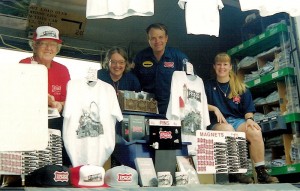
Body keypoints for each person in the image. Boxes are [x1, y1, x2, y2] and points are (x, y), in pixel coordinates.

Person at [204, 52, 279, 184]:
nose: (222, 67)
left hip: (238, 121)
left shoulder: (240, 87)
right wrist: (214, 108)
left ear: (230, 67)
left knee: (255, 131)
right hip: (218, 123)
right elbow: (198, 102)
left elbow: (248, 110)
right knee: (228, 130)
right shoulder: (208, 86)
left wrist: (250, 119)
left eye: (225, 64)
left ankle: (261, 172)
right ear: (214, 67)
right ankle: (236, 172)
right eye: (219, 64)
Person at [19, 26, 71, 166]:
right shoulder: (24, 65)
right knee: (31, 164)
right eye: (44, 43)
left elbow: (69, 99)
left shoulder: (63, 70)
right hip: (30, 122)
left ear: (58, 48)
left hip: (55, 123)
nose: (49, 48)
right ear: (35, 45)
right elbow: (18, 96)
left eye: (53, 44)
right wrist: (40, 98)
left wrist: (60, 104)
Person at [133, 23, 190, 115]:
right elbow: (133, 82)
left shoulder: (179, 57)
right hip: (146, 106)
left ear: (166, 38)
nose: (157, 41)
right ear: (149, 40)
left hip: (172, 106)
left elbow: (191, 82)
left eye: (160, 37)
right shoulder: (140, 57)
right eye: (153, 38)